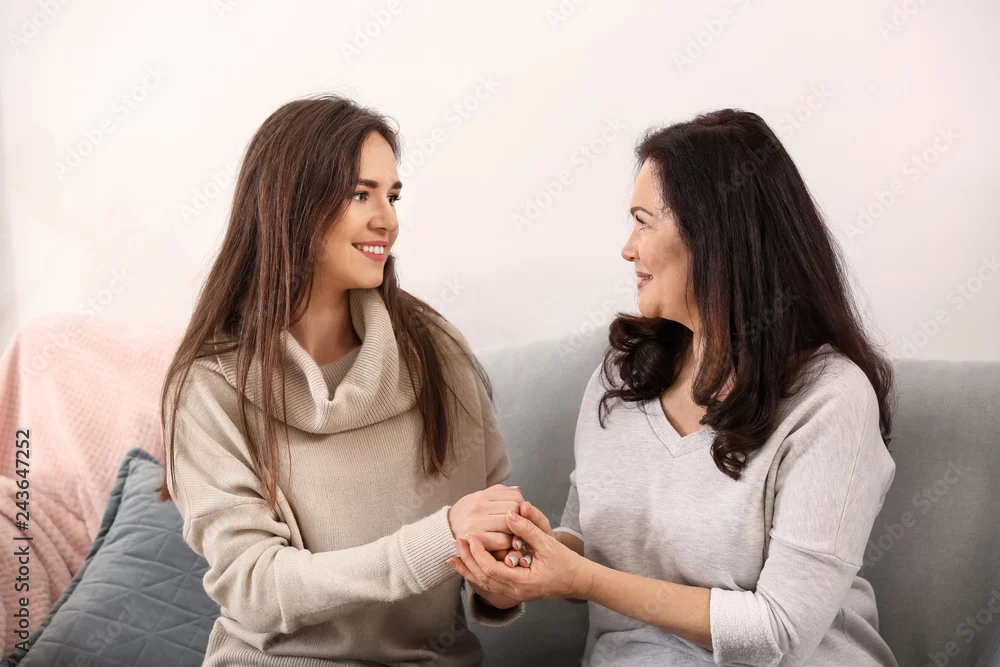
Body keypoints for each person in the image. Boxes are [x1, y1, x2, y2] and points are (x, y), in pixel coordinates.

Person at [449, 109, 899, 666]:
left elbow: (778, 632)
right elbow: (592, 540)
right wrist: (527, 560)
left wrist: (582, 578)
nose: (627, 248)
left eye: (643, 222)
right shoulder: (624, 376)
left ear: (713, 236)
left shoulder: (830, 399)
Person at [159, 95, 525, 667]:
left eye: (392, 196)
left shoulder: (436, 351)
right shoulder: (210, 386)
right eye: (360, 194)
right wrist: (440, 539)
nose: (388, 220)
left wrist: (505, 570)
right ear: (291, 205)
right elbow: (254, 588)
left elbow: (492, 513)